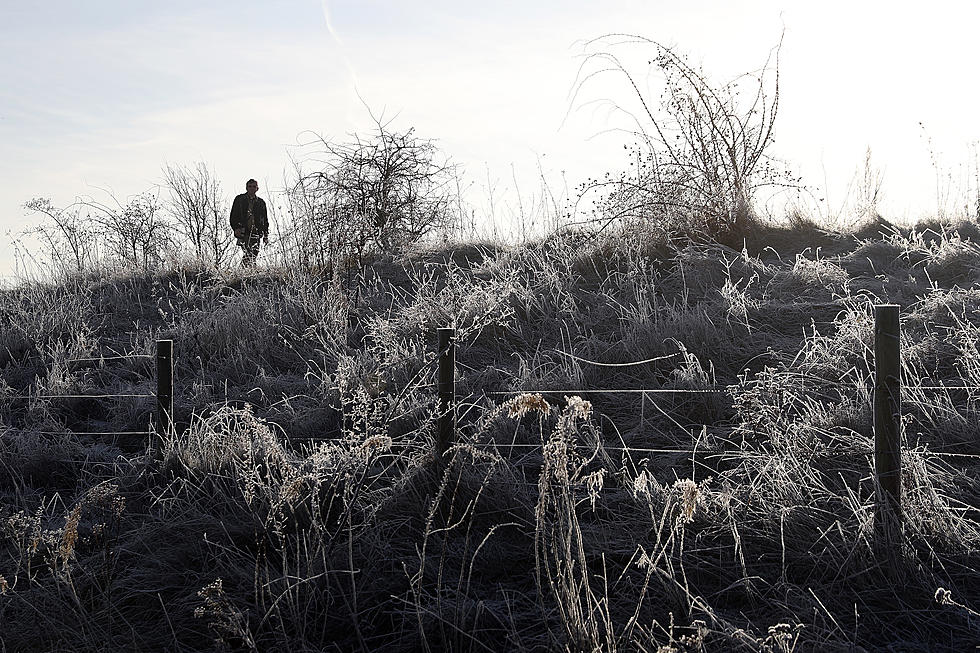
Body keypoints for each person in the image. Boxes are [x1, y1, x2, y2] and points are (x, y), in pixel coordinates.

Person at [229, 179, 269, 267]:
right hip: (244, 231)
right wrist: (236, 228)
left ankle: (246, 273)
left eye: (254, 186)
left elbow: (265, 220)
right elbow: (233, 216)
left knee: (254, 253)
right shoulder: (240, 199)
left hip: (256, 233)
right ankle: (246, 273)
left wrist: (266, 235)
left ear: (257, 188)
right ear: (246, 188)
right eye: (250, 186)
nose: (252, 188)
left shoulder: (261, 203)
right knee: (249, 253)